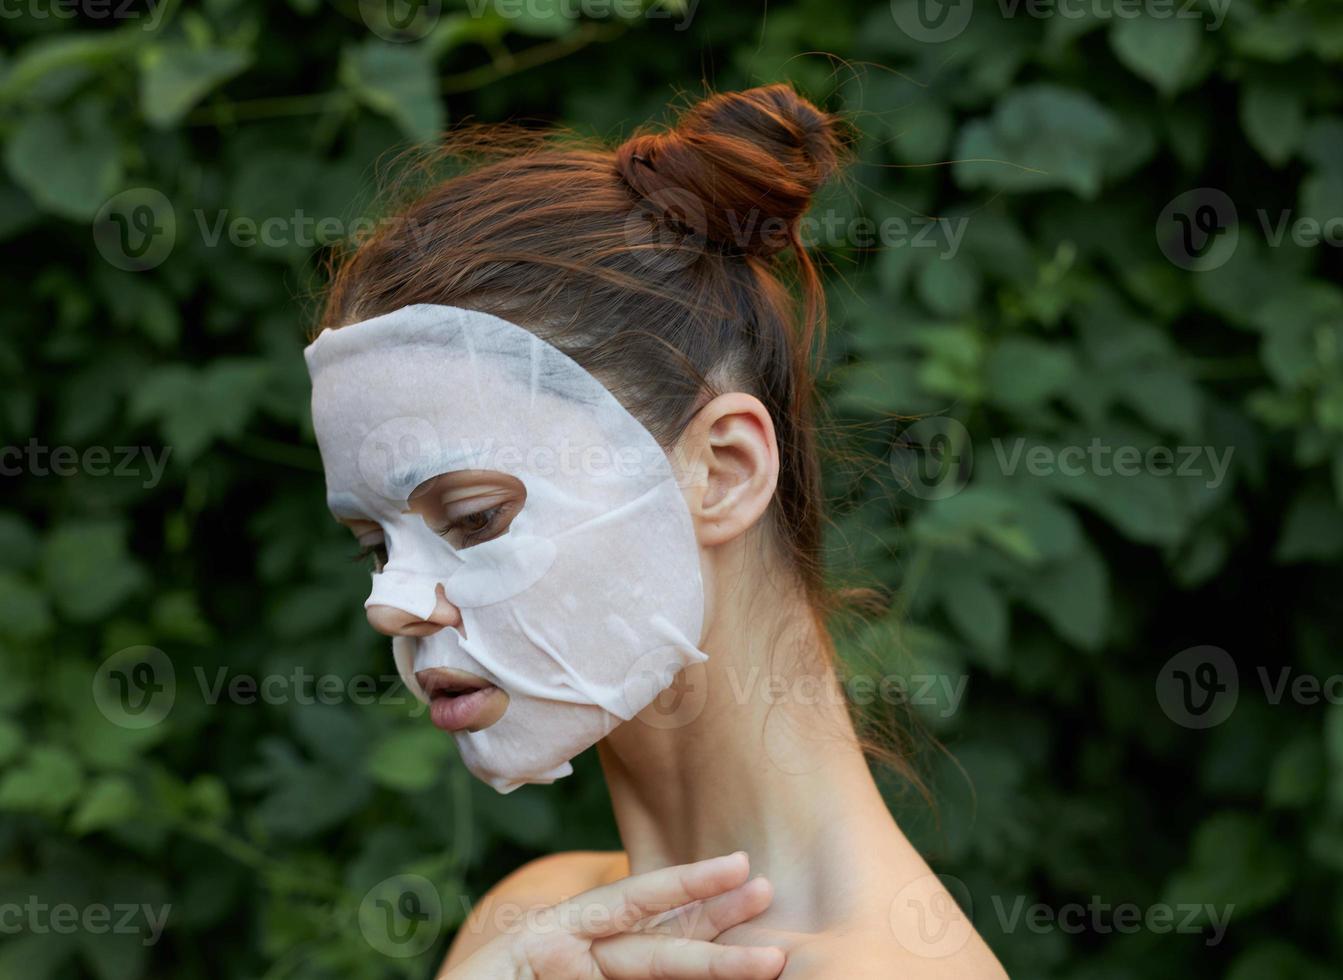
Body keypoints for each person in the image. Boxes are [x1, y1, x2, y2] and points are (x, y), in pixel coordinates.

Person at [306, 83, 1006, 979]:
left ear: (725, 471)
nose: (389, 607)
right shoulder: (530, 931)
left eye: (475, 519)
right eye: (377, 545)